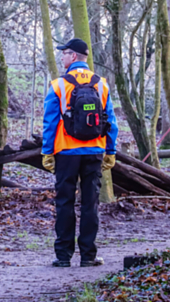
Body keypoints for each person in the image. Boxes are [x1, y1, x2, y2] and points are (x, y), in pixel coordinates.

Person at [41, 37, 118, 268]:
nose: (62, 57)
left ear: (73, 56)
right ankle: (88, 256)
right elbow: (111, 121)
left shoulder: (59, 85)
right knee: (90, 203)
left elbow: (50, 122)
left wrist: (47, 152)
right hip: (94, 151)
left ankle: (63, 257)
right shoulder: (101, 84)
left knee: (64, 202)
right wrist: (110, 150)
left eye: (64, 53)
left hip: (66, 153)